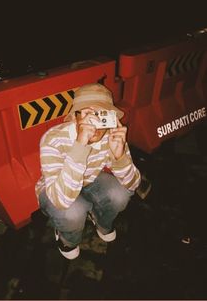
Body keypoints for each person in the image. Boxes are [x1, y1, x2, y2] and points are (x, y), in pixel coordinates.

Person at [35, 83, 141, 259]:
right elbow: (61, 200)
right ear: (75, 117)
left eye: (102, 114)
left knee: (121, 195)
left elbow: (133, 185)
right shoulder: (53, 139)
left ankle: (102, 220)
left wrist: (120, 157)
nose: (95, 124)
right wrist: (80, 145)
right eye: (88, 115)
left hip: (90, 179)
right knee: (73, 213)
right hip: (56, 188)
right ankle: (68, 240)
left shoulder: (111, 135)